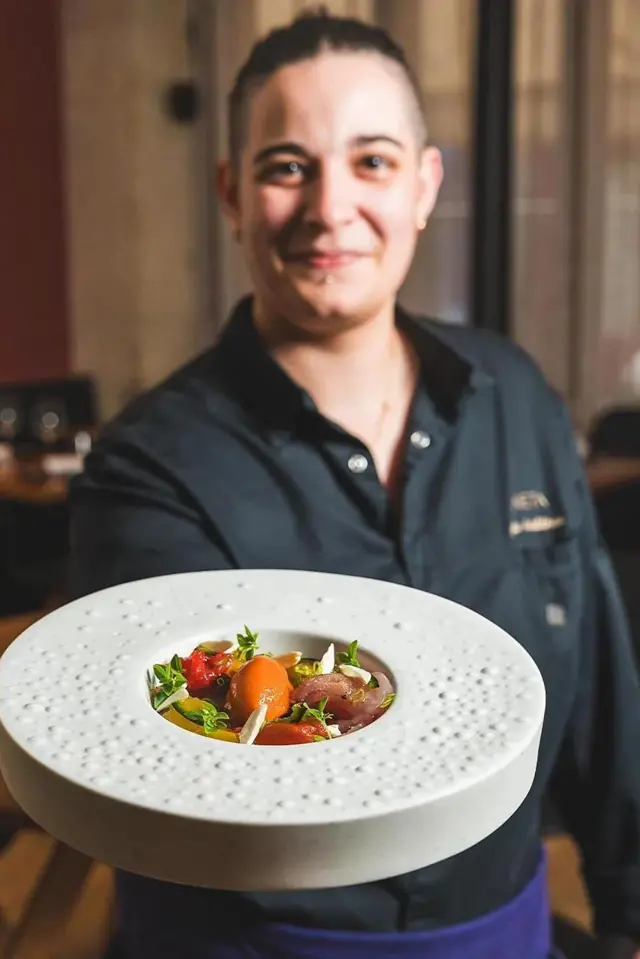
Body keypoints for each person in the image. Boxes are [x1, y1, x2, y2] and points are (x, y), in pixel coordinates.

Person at [70, 9, 640, 959]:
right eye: (287, 165)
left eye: (372, 161)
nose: (332, 208)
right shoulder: (148, 466)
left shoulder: (518, 401)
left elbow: (599, 702)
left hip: (506, 933)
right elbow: (186, 779)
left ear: (424, 186)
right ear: (232, 194)